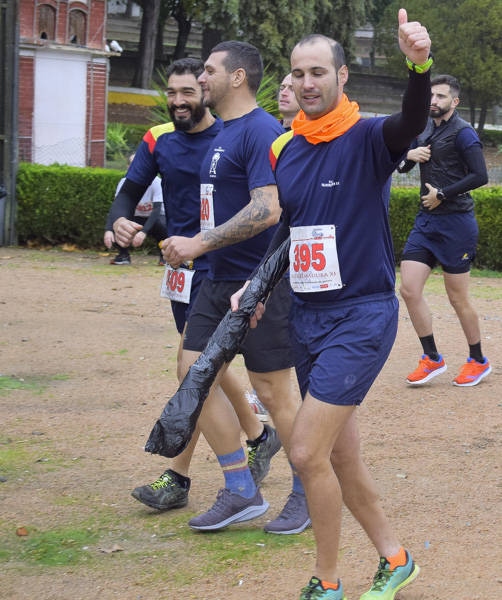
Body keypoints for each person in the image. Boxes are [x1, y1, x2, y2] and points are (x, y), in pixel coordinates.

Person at [229, 19, 430, 599]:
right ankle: (396, 558)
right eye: (299, 73)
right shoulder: (285, 149)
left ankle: (326, 579)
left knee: (303, 449)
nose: (308, 83)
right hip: (308, 317)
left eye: (319, 72)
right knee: (340, 454)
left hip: (362, 315)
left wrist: (417, 66)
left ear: (341, 75)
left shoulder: (370, 138)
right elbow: (290, 232)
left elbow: (411, 122)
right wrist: (258, 286)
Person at [108, 58, 276, 514]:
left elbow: (270, 203)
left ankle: (180, 475)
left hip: (224, 264)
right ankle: (261, 436)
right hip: (185, 268)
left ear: (211, 89)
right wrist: (117, 222)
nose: (182, 98)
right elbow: (130, 189)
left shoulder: (236, 131)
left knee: (199, 371)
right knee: (206, 369)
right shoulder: (159, 138)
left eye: (192, 88)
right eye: (173, 92)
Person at [159, 41, 307, 535]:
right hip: (217, 279)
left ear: (238, 77)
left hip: (259, 282)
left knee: (272, 389)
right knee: (192, 376)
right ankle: (241, 489)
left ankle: (308, 490)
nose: (201, 77)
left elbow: (269, 209)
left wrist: (198, 242)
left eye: (208, 70)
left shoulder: (261, 129)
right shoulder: (224, 131)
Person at [395, 74, 491, 387]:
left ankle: (478, 360)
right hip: (426, 222)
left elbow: (480, 176)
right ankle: (432, 358)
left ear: (454, 101)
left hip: (457, 224)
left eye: (440, 96)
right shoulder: (421, 127)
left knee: (457, 298)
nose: (433, 101)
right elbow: (402, 166)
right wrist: (408, 155)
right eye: (431, 96)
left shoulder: (464, 133)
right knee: (408, 289)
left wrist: (443, 194)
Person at [105, 153, 167, 265]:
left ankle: (165, 256)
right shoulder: (124, 183)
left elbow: (157, 210)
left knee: (161, 224)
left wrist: (143, 232)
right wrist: (108, 229)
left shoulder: (156, 182)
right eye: (136, 164)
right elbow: (116, 208)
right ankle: (123, 255)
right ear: (129, 168)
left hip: (154, 218)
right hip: (136, 218)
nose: (141, 166)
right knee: (120, 221)